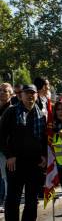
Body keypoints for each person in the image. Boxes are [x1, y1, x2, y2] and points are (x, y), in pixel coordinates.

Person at [0, 85, 47, 221]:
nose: (30, 96)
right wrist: (9, 155)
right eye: (27, 94)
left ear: (36, 95)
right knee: (12, 199)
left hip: (34, 163)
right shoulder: (12, 112)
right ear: (21, 96)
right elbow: (1, 136)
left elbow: (43, 138)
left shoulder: (41, 114)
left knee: (32, 199)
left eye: (33, 93)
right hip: (15, 162)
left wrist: (43, 156)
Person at [0, 83, 14, 211]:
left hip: (6, 149)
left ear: (11, 93)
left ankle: (6, 202)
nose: (2, 92)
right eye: (0, 90)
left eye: (5, 91)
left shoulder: (13, 109)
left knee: (5, 177)